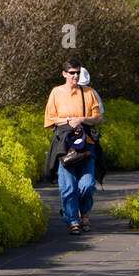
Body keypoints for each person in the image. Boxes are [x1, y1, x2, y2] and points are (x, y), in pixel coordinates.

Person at [44, 59, 105, 236]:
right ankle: (73, 220)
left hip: (87, 145)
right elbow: (50, 120)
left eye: (77, 72)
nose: (75, 76)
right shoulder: (56, 93)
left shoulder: (88, 92)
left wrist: (81, 119)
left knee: (87, 185)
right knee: (68, 186)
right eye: (72, 73)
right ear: (64, 74)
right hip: (65, 145)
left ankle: (84, 212)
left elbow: (98, 118)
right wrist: (69, 121)